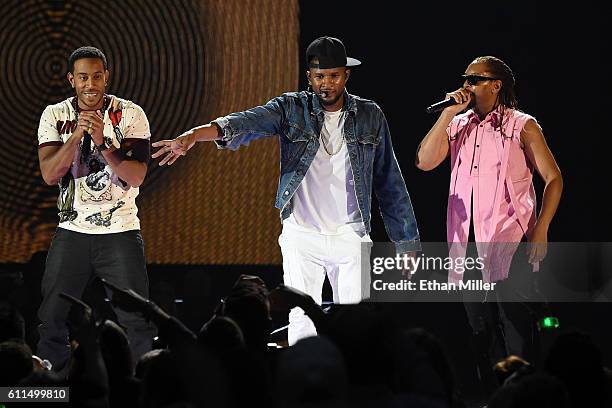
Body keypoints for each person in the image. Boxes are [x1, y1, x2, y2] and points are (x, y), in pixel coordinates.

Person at [152, 36, 420, 345]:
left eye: (333, 75)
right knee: (302, 315)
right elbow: (246, 122)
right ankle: (303, 382)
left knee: (356, 319)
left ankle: (350, 384)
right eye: (319, 76)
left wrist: (406, 241)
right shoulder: (291, 109)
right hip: (302, 235)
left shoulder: (370, 115)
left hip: (351, 234)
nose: (326, 84)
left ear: (346, 75)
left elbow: (389, 181)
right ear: (309, 77)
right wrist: (194, 135)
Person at [416, 56, 562, 384]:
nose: (466, 85)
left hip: (509, 238)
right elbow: (424, 162)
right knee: (479, 327)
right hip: (467, 241)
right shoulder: (458, 124)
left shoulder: (521, 125)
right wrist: (448, 114)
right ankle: (495, 394)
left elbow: (554, 179)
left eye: (474, 79)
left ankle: (525, 394)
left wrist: (542, 229)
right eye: (465, 79)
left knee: (514, 322)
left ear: (496, 85)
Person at [36, 46, 155, 371]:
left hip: (120, 232)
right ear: (72, 79)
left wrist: (103, 141)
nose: (91, 84)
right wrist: (77, 134)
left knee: (137, 320)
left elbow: (136, 176)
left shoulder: (130, 114)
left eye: (97, 76)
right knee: (52, 317)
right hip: (71, 232)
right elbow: (50, 174)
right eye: (84, 77)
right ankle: (51, 391)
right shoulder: (55, 115)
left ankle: (136, 390)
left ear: (107, 76)